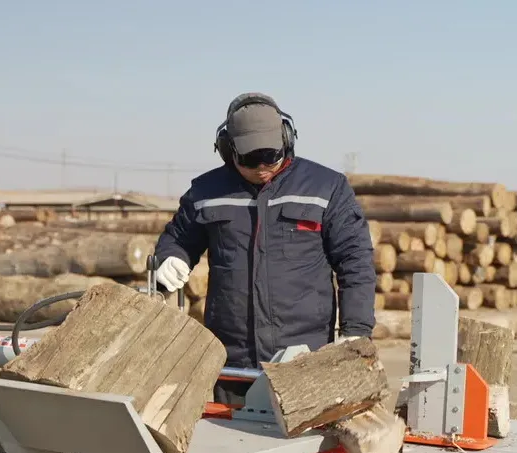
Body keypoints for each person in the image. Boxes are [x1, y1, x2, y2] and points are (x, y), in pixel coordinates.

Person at [154, 92, 376, 405]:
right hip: (231, 362)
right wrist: (170, 257)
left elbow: (355, 261)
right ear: (227, 149)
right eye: (249, 159)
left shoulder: (326, 188)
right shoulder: (206, 192)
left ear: (287, 139)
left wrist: (356, 328)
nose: (261, 167)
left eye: (270, 156)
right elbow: (177, 238)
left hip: (304, 359)